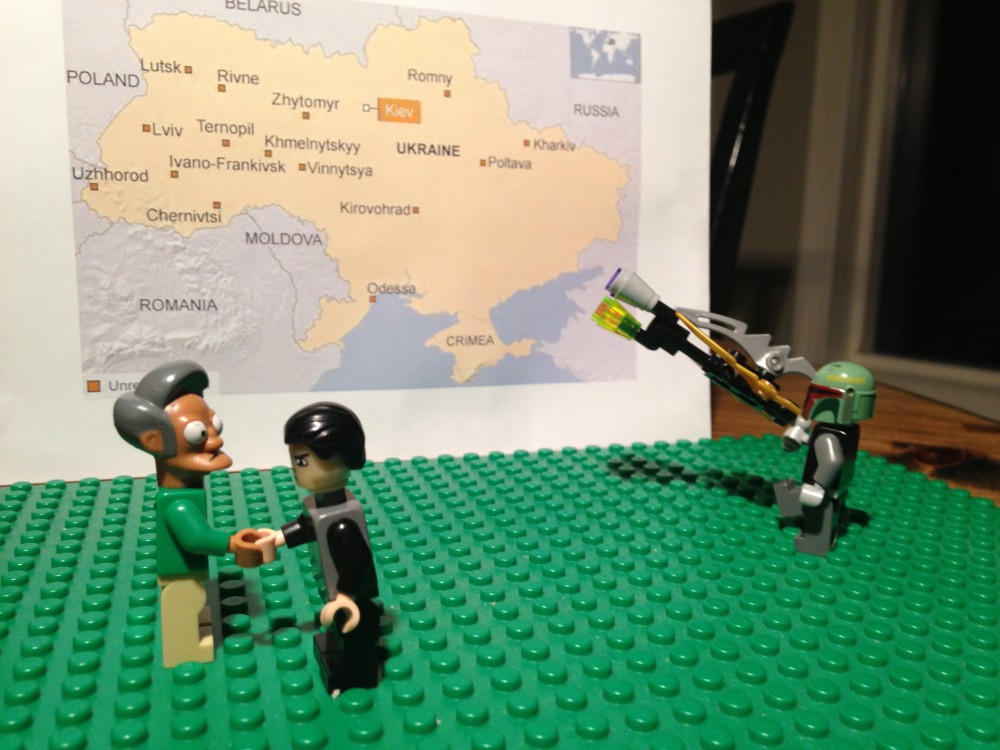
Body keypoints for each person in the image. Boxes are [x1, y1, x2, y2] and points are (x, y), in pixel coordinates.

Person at [114, 360, 263, 667]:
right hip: (180, 574)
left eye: (214, 425)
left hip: (185, 573)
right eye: (198, 433)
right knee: (186, 604)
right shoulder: (178, 503)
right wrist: (233, 544)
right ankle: (186, 650)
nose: (216, 440)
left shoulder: (182, 495)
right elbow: (196, 539)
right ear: (155, 441)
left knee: (194, 604)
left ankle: (193, 636)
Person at [258, 402, 381, 694]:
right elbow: (306, 525)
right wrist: (277, 537)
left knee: (356, 637)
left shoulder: (342, 522)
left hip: (353, 598)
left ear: (340, 458)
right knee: (339, 631)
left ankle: (351, 679)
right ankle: (339, 659)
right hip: (338, 593)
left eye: (302, 462)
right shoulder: (320, 507)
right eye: (295, 461)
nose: (295, 470)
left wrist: (345, 596)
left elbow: (358, 559)